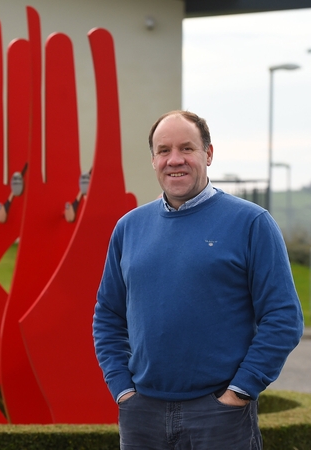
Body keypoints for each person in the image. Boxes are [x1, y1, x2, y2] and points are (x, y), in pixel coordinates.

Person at [93, 110, 303, 449]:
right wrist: (123, 389)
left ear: (208, 153)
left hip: (220, 415)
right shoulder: (129, 228)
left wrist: (240, 391)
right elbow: (108, 314)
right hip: (142, 413)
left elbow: (283, 317)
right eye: (164, 150)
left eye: (186, 148)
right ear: (153, 160)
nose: (174, 160)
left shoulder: (251, 223)